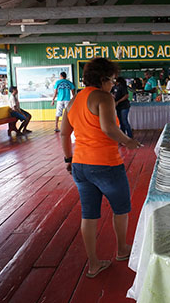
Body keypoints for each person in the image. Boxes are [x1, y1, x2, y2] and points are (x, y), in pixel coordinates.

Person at [60, 58, 141, 278]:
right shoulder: (104, 98)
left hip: (80, 165)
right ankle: (122, 249)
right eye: (112, 80)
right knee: (121, 208)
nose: (113, 85)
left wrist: (68, 159)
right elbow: (109, 128)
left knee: (89, 215)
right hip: (106, 164)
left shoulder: (73, 101)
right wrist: (129, 141)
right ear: (103, 78)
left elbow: (65, 133)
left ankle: (93, 264)